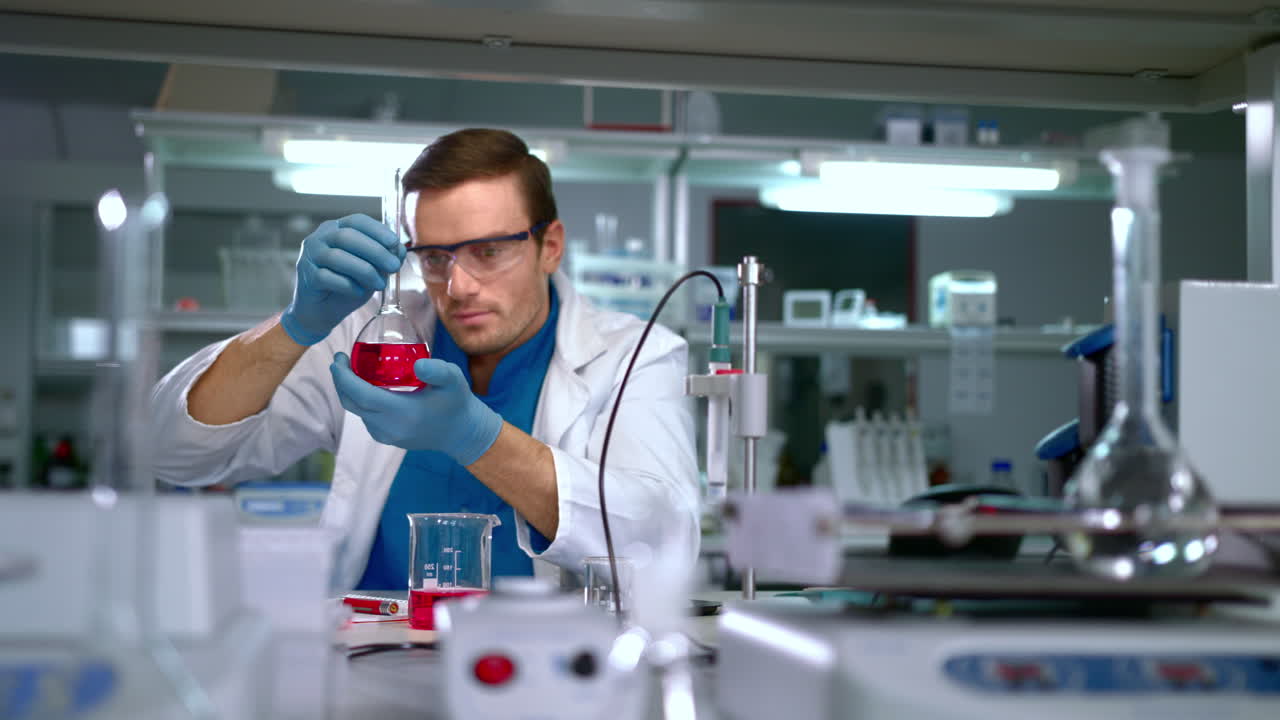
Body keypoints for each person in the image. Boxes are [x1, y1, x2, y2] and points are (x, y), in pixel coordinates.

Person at [150, 128, 700, 591]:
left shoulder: (636, 355)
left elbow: (665, 539)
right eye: (434, 257)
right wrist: (296, 325)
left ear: (549, 246)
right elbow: (175, 452)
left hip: (539, 675)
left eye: (488, 252)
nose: (457, 286)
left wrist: (477, 438)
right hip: (368, 667)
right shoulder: (373, 339)